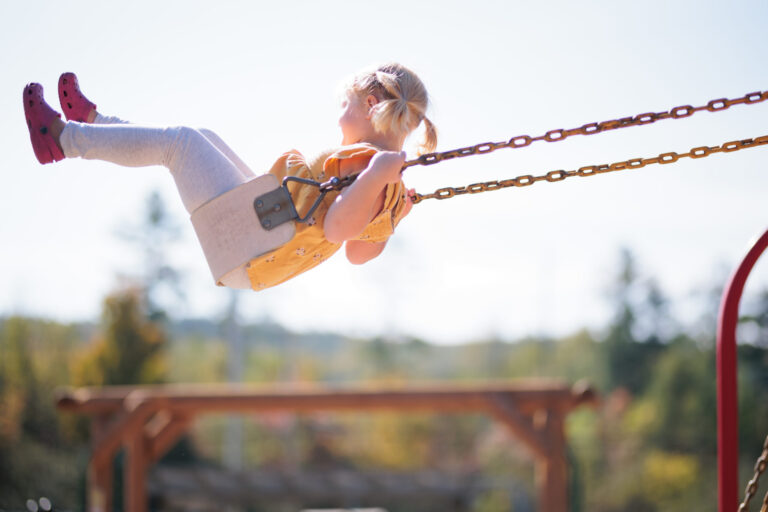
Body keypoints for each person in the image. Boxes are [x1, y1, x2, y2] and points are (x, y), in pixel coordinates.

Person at [22, 63, 437, 290]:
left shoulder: (376, 171)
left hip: (253, 248)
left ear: (368, 104)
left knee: (180, 144)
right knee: (202, 138)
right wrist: (388, 209)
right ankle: (96, 124)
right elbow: (359, 253)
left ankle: (62, 139)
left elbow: (337, 231)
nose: (339, 114)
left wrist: (380, 186)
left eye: (344, 104)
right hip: (260, 227)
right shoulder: (383, 178)